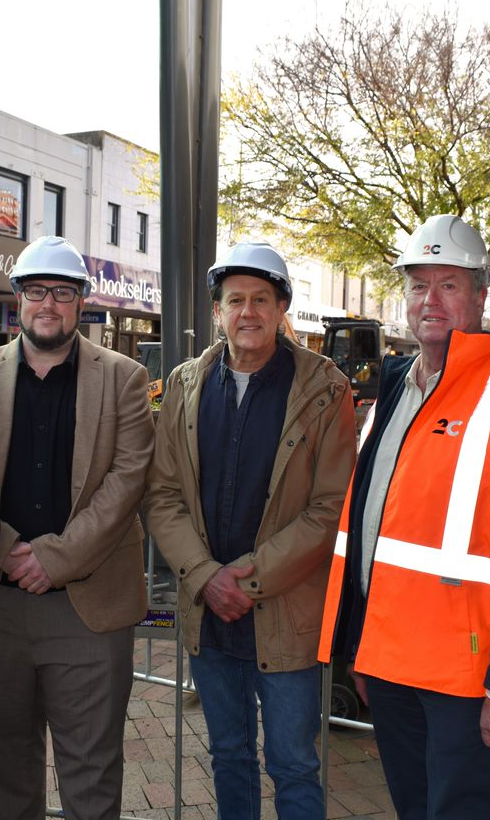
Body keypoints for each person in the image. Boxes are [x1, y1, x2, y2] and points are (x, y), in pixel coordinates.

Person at [317, 215, 490, 820]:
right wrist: (358, 647)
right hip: (387, 664)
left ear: (481, 294)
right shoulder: (396, 385)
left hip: (468, 675)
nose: (429, 300)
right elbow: (373, 527)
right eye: (417, 285)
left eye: (449, 284)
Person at [0, 235, 153, 820]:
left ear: (81, 301)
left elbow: (127, 478)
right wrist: (11, 550)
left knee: (91, 779)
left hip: (88, 611)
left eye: (63, 292)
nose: (49, 304)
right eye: (37, 291)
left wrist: (55, 558)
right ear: (18, 298)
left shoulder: (124, 379)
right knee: (3, 774)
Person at [144, 242, 356, 820]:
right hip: (210, 615)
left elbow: (330, 506)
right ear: (218, 311)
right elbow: (162, 494)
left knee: (292, 762)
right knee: (229, 756)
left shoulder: (324, 388)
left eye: (261, 299)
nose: (248, 312)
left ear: (282, 306)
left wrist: (250, 580)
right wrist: (206, 577)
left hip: (285, 612)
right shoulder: (186, 385)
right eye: (235, 300)